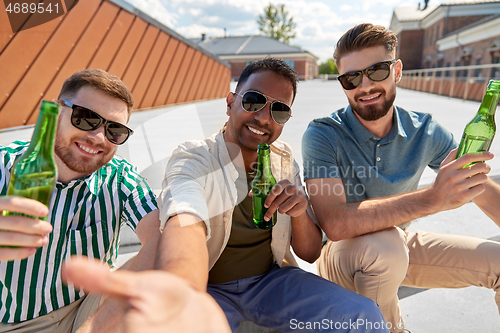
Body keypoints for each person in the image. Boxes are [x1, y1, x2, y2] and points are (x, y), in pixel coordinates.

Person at [155, 58, 388, 333]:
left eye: (279, 110)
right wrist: (182, 290)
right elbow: (184, 215)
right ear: (230, 103)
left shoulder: (284, 161)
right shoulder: (195, 157)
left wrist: (299, 212)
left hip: (269, 282)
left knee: (364, 315)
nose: (264, 118)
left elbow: (310, 253)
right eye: (253, 101)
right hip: (209, 289)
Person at [302, 23, 500, 333]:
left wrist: (457, 188)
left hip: (397, 246)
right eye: (351, 78)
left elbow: (479, 187)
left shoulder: (426, 131)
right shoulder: (323, 134)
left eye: (377, 71)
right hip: (340, 255)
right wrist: (433, 198)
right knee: (387, 245)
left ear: (397, 70)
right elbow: (335, 223)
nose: (364, 86)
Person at [0, 69, 160, 333]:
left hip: (84, 314)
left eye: (115, 130)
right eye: (86, 118)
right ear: (55, 111)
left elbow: (160, 238)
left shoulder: (121, 180)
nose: (98, 138)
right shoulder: (5, 165)